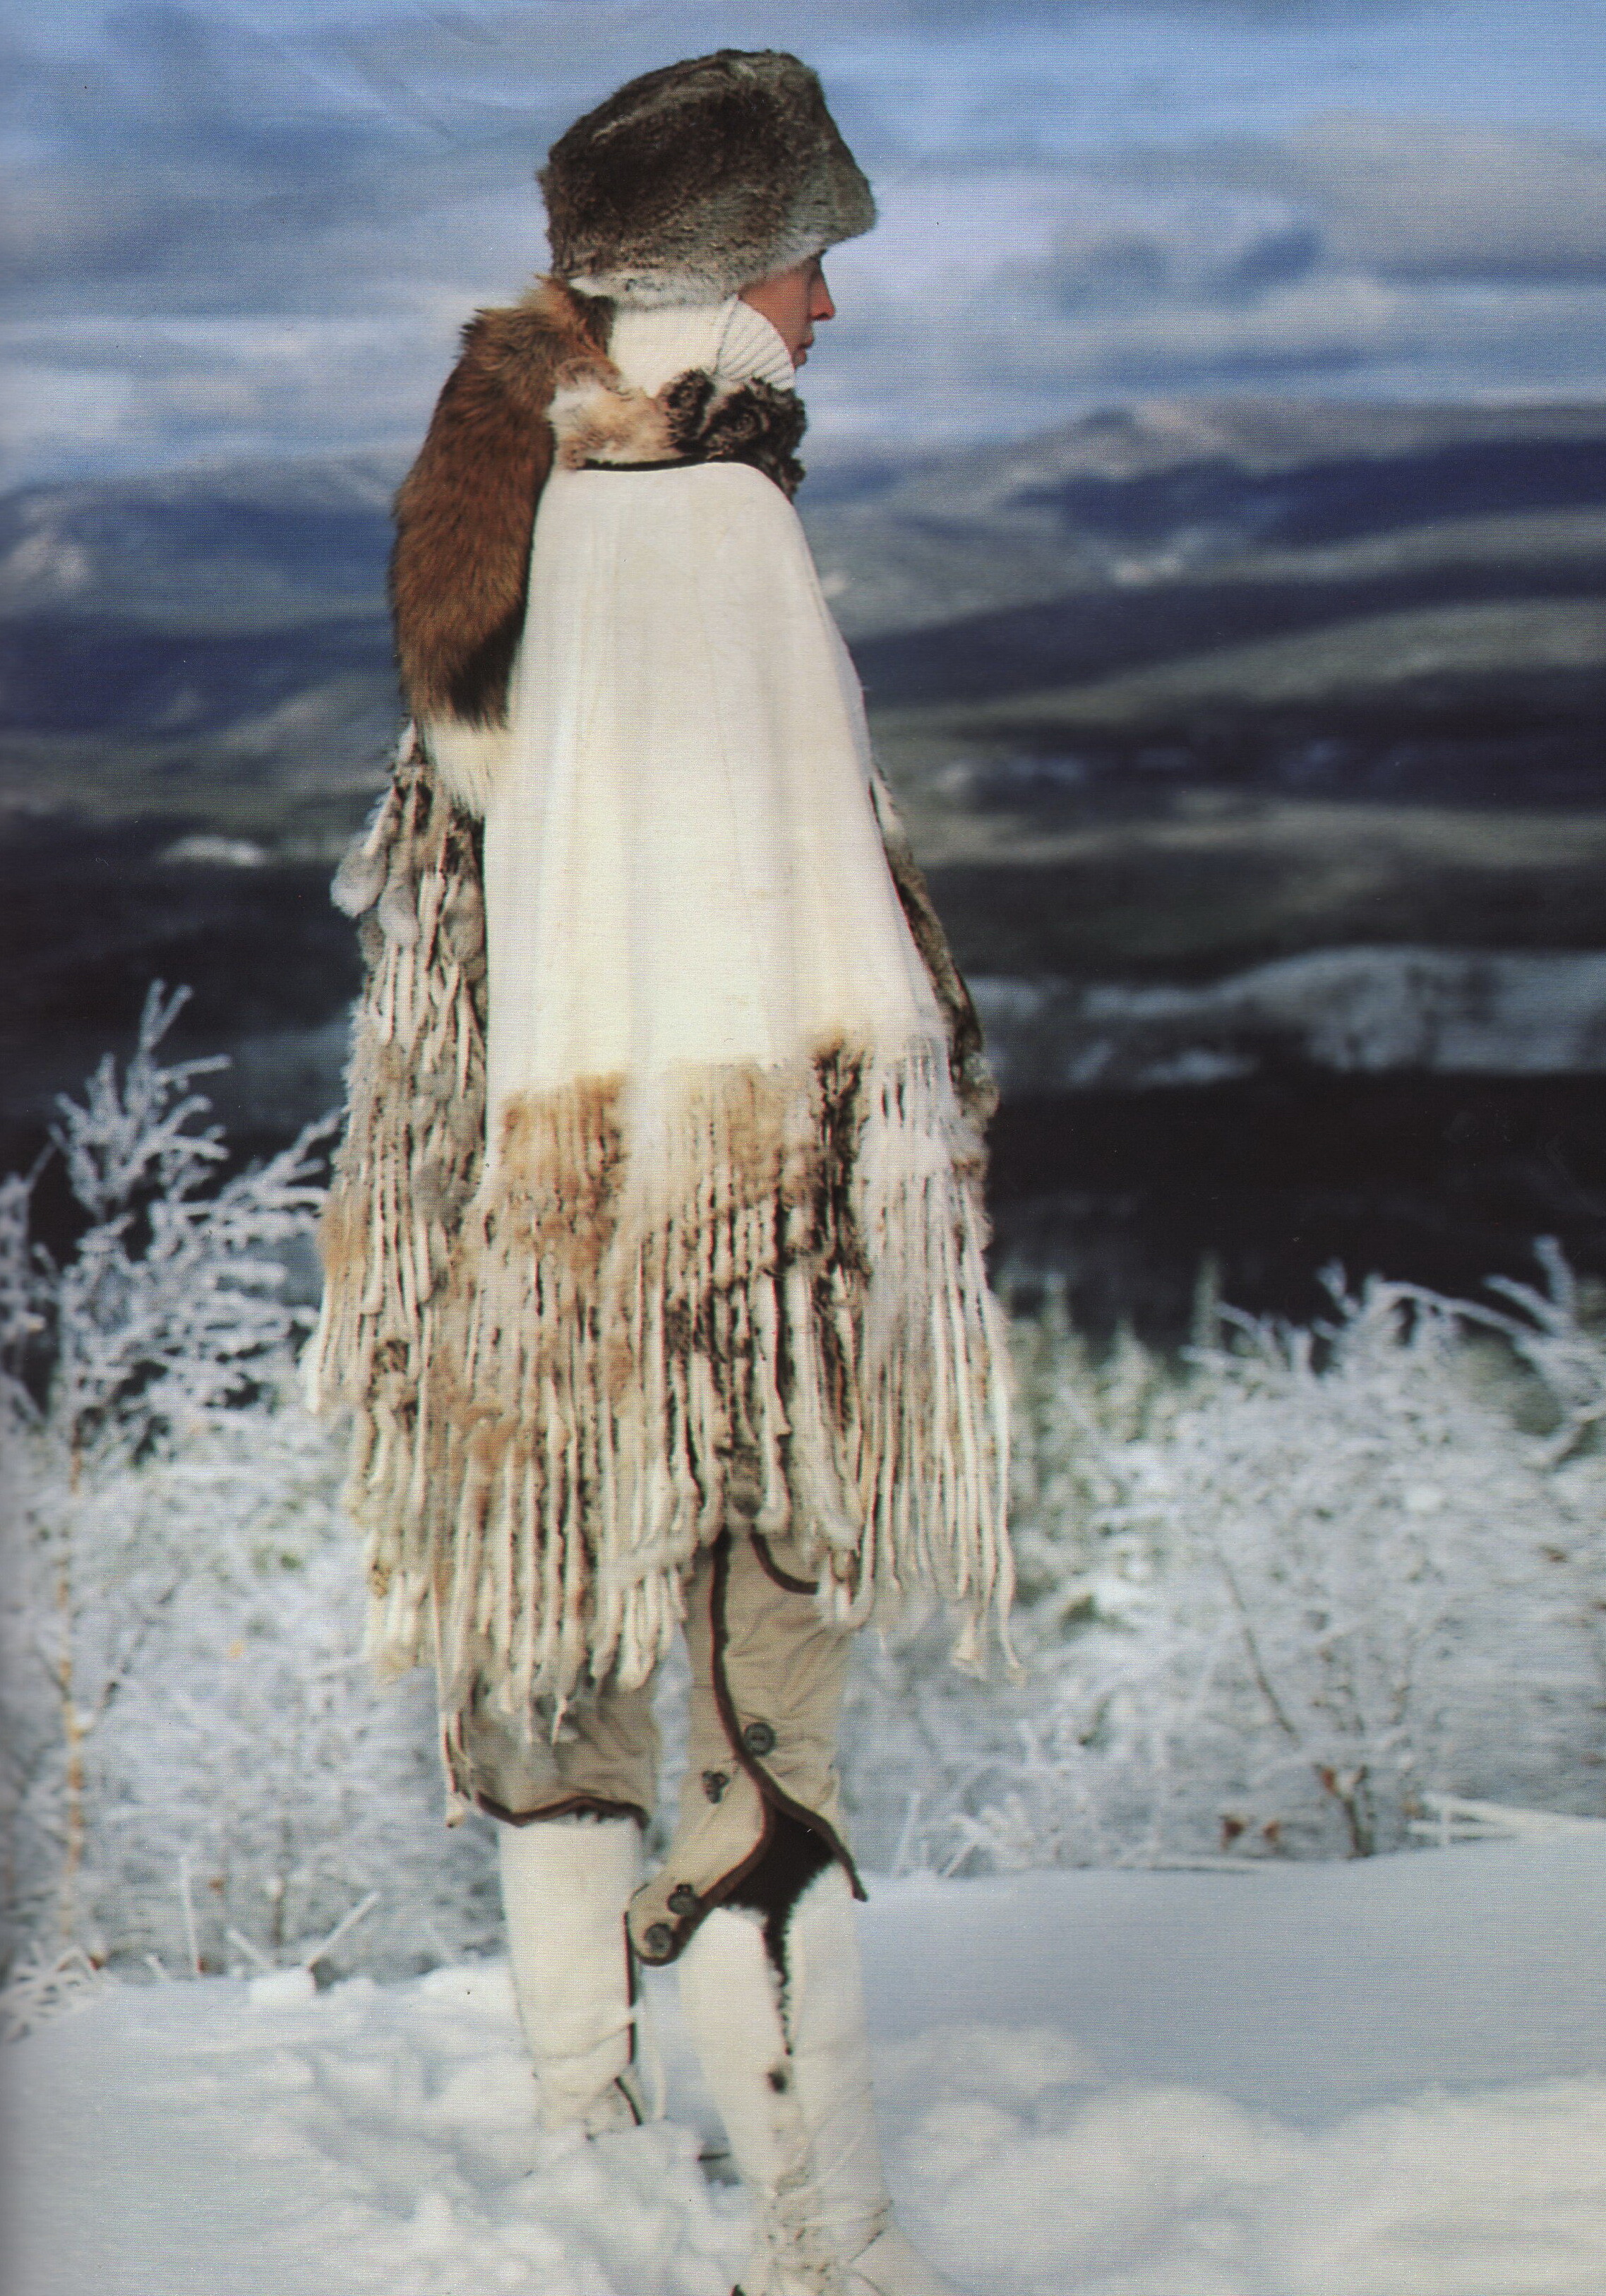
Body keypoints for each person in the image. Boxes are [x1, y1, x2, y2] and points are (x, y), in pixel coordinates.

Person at [309, 48, 1010, 2296]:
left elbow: (485, 898)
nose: (829, 306)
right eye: (806, 260)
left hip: (526, 1230)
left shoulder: (548, 508)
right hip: (720, 1240)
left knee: (561, 1642)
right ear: (716, 278)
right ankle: (825, 2232)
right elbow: (776, 958)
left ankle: (582, 2126)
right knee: (758, 1702)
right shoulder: (711, 529)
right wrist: (841, 1218)